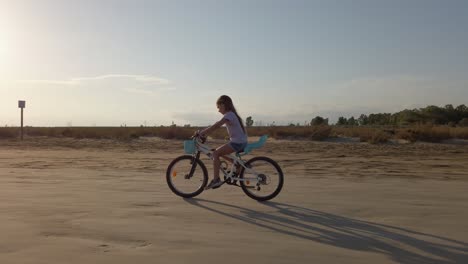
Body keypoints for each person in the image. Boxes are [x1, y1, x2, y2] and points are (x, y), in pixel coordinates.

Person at [198, 95, 248, 189]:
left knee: (216, 153)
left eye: (219, 107)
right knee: (217, 151)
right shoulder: (232, 114)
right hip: (240, 142)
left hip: (237, 143)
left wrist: (202, 132)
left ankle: (216, 179)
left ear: (223, 104)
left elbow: (217, 125)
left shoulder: (229, 115)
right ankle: (236, 164)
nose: (218, 110)